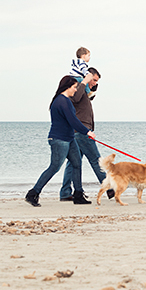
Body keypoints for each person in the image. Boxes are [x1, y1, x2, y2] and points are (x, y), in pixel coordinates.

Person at [25, 76, 96, 207]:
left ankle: (78, 195)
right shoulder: (62, 101)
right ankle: (33, 193)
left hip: (69, 138)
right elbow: (73, 120)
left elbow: (72, 121)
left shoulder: (66, 100)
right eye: (74, 87)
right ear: (68, 87)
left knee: (77, 163)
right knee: (54, 167)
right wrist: (87, 132)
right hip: (59, 139)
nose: (75, 90)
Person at [59, 67, 115, 201]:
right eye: (94, 80)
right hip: (82, 131)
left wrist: (92, 88)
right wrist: (85, 81)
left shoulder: (84, 90)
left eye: (96, 81)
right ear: (88, 76)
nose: (95, 83)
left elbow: (89, 99)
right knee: (97, 160)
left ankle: (65, 192)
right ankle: (110, 188)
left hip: (79, 131)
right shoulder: (78, 87)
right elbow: (77, 98)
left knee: (73, 163)